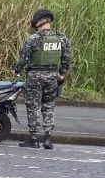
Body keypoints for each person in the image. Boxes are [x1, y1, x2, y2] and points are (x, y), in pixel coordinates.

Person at [14, 8, 72, 149]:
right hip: (52, 76)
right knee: (49, 105)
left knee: (33, 106)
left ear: (39, 22)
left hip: (35, 76)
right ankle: (48, 138)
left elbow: (24, 58)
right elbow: (66, 58)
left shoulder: (33, 39)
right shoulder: (61, 38)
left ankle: (34, 139)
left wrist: (17, 69)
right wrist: (62, 74)